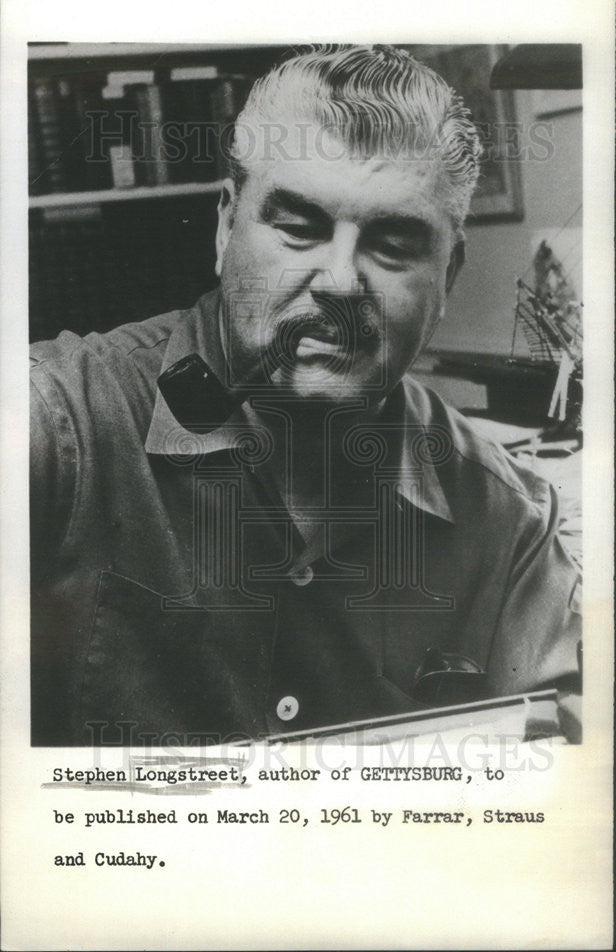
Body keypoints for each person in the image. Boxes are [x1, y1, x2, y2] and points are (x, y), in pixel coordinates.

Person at [30, 45, 581, 746]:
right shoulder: (55, 425)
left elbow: (573, 787)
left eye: (392, 243)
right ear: (227, 228)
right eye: (299, 227)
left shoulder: (506, 522)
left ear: (448, 276)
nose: (341, 284)